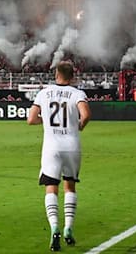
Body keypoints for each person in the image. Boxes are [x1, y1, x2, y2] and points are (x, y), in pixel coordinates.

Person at [28, 61, 91, 252]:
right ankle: (68, 229)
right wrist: (79, 125)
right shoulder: (78, 94)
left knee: (51, 187)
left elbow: (31, 119)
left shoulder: (43, 93)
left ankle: (54, 226)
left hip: (51, 147)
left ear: (56, 75)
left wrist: (45, 121)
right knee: (70, 185)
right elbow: (86, 115)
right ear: (72, 76)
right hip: (72, 145)